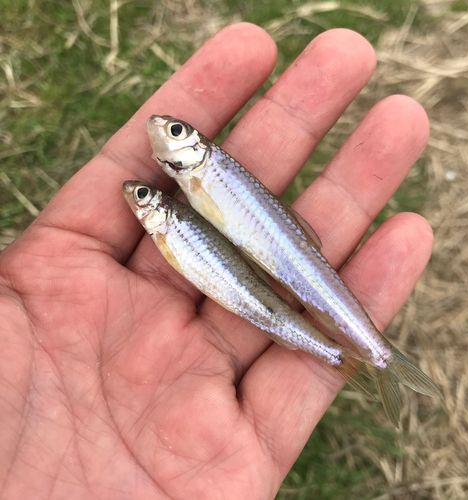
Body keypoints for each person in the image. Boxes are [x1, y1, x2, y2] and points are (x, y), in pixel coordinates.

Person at [0, 23, 433, 499]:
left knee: (316, 296)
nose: (162, 130)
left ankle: (376, 353)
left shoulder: (206, 168)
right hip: (254, 260)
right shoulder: (187, 181)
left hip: (284, 255)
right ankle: (367, 356)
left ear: (192, 148)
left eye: (176, 131)